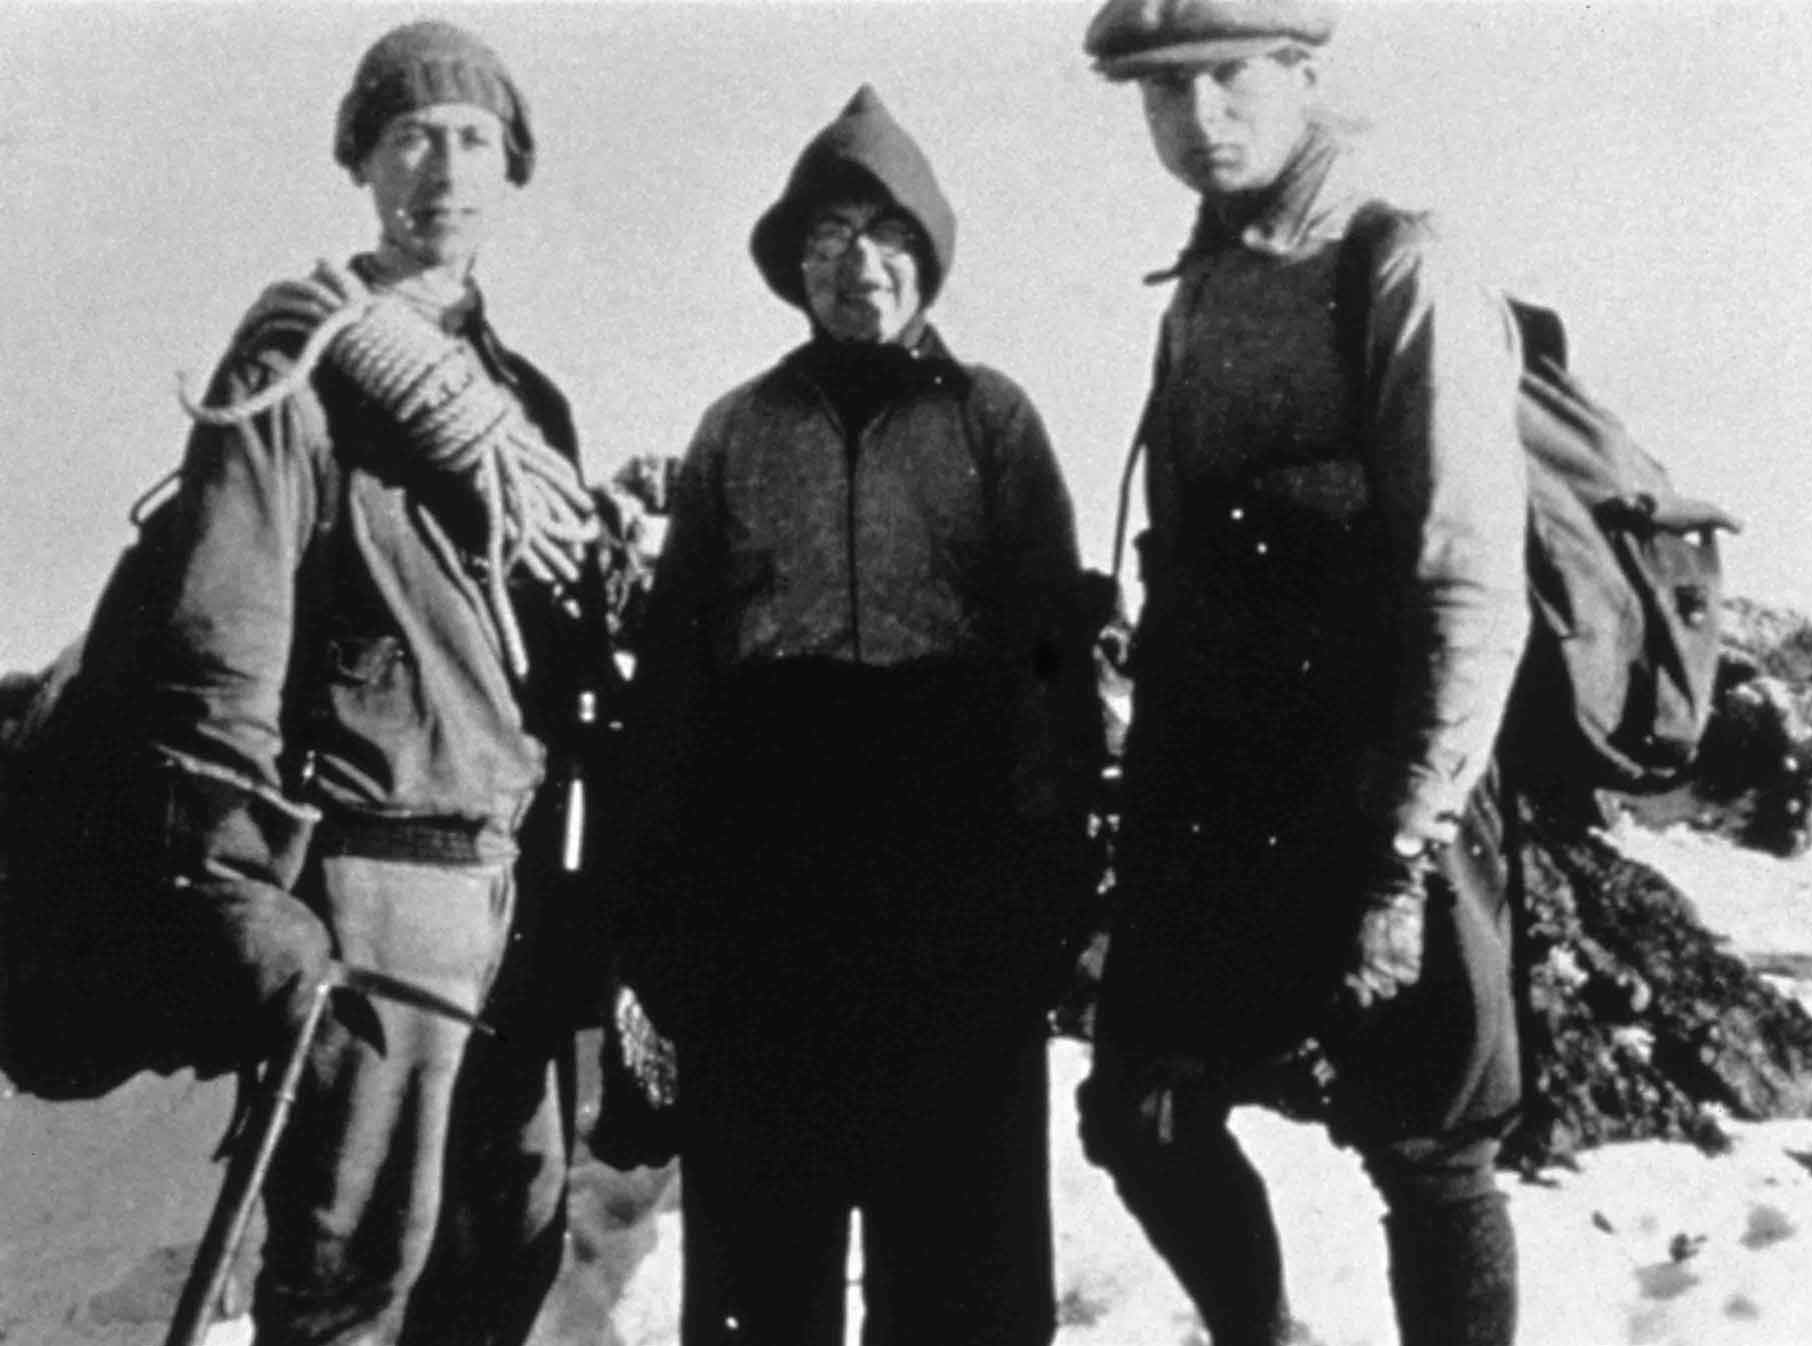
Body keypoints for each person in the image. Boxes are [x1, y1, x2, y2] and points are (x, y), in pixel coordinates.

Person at [139, 20, 608, 1345]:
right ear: (360, 160)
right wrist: (240, 891)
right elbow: (219, 634)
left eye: (470, 141)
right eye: (409, 137)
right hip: (370, 872)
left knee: (501, 1254)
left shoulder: (528, 409)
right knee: (351, 1275)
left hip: (514, 885)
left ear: (508, 166)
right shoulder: (294, 366)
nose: (441, 171)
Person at [1075, 3, 1533, 1344]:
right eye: (1161, 94)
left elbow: (1467, 579)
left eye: (1225, 78)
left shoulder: (1396, 265)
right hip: (1214, 773)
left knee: (1428, 1146)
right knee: (1140, 1108)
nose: (1196, 117)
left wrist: (1402, 846)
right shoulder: (1208, 275)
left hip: (1377, 771)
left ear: (1301, 76)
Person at [623, 84, 1101, 1346]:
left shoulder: (989, 419)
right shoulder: (737, 431)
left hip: (948, 858)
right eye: (829, 238)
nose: (860, 265)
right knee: (762, 1243)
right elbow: (677, 675)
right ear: (793, 267)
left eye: (887, 235)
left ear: (927, 256)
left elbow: (1050, 656)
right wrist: (664, 897)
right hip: (771, 862)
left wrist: (1049, 873)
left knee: (957, 1247)